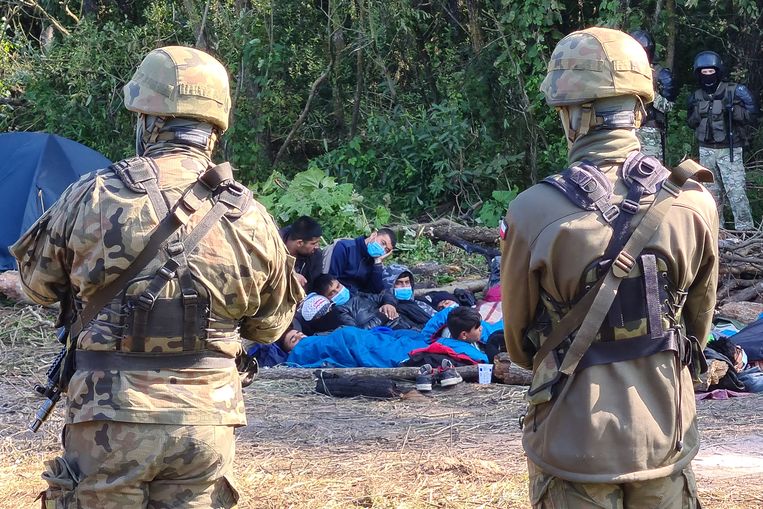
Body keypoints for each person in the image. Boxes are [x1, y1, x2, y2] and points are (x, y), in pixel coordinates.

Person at [11, 46, 302, 508]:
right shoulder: (251, 216)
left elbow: (37, 285)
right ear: (214, 128)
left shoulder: (95, 193)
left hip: (109, 418)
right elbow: (270, 326)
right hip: (206, 424)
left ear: (147, 120)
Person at [501, 27, 718, 507]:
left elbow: (519, 343)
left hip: (573, 438)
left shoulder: (533, 209)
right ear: (639, 108)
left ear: (575, 116)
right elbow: (697, 328)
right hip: (665, 430)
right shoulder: (694, 199)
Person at [688, 50, 759, 230]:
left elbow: (753, 115)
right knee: (710, 194)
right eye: (703, 72)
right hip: (706, 151)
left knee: (736, 193)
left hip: (730, 150)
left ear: (718, 71)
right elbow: (691, 122)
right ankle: (716, 232)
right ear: (698, 73)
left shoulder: (735, 91)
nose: (707, 75)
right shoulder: (696, 96)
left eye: (711, 71)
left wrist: (734, 112)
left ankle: (745, 232)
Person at [630, 29, 677, 163]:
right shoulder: (623, 71)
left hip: (649, 131)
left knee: (651, 174)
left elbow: (668, 107)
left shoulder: (660, 74)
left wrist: (649, 91)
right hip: (626, 128)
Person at [325, 228, 396, 293]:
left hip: (360, 300)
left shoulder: (375, 262)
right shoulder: (345, 247)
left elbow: (376, 291)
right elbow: (332, 278)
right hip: (338, 295)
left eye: (386, 250)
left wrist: (377, 262)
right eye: (383, 243)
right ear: (373, 235)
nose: (382, 249)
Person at [382, 264, 437, 330]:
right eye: (399, 283)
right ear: (389, 285)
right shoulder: (390, 311)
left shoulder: (421, 303)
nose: (404, 286)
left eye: (407, 282)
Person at [280, 216, 324, 291]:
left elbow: (315, 284)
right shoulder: (273, 247)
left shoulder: (316, 255)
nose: (317, 247)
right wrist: (290, 276)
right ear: (299, 243)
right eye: (313, 243)